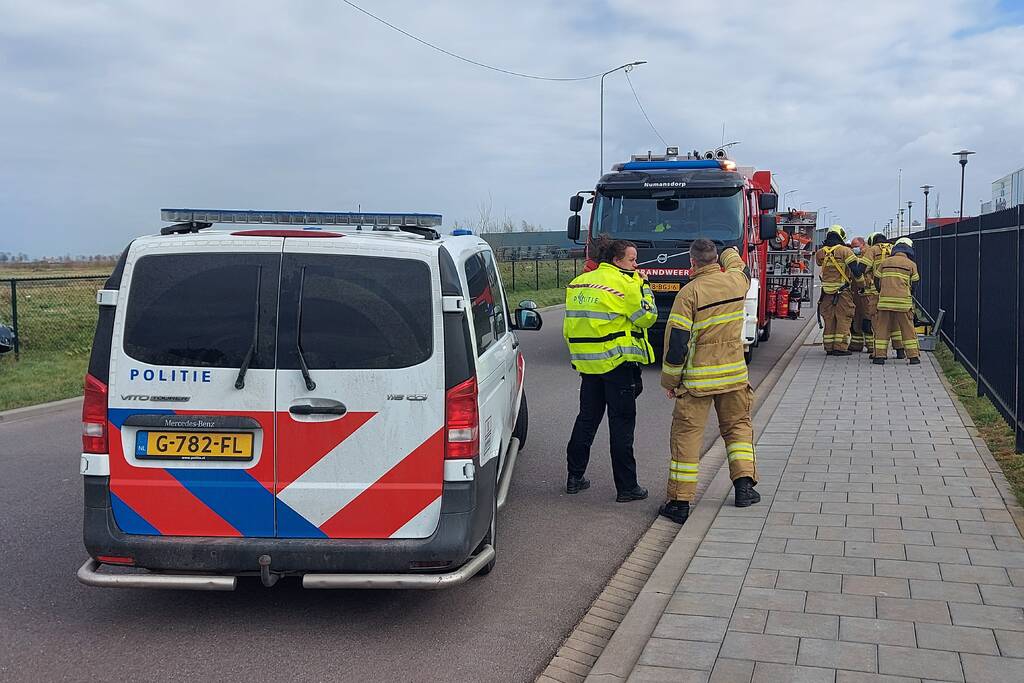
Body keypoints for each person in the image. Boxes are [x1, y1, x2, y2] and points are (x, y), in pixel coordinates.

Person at [658, 240, 758, 525]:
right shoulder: (736, 282)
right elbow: (742, 268)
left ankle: (679, 503)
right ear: (716, 260)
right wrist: (730, 252)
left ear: (692, 262)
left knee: (687, 436)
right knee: (738, 429)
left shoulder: (689, 293)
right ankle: (744, 488)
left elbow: (677, 343)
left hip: (697, 382)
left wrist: (670, 381)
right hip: (734, 377)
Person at [563, 234, 657, 501]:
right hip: (618, 364)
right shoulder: (627, 283)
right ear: (616, 260)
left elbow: (570, 326)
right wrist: (646, 288)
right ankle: (627, 488)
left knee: (586, 420)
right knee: (621, 425)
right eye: (632, 260)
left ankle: (574, 477)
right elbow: (647, 318)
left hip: (588, 366)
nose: (636, 266)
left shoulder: (577, 284)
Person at [815, 225, 865, 355]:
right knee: (844, 318)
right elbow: (856, 270)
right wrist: (861, 285)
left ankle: (829, 347)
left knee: (829, 318)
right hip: (842, 292)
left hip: (826, 292)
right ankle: (840, 347)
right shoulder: (845, 251)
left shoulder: (821, 253)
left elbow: (820, 264)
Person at [872, 237, 921, 365]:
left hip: (884, 302)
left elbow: (876, 280)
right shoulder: (911, 265)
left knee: (882, 328)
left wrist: (881, 292)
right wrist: (909, 294)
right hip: (903, 302)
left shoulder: (885, 262)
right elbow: (915, 283)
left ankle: (879, 357)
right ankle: (913, 357)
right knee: (907, 329)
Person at [848, 236, 869, 353]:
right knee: (856, 317)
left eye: (856, 246)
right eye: (852, 247)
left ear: (863, 245)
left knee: (867, 317)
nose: (853, 249)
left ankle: (871, 346)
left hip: (865, 291)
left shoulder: (869, 255)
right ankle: (856, 344)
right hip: (855, 291)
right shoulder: (853, 256)